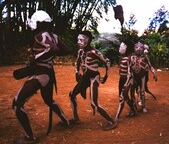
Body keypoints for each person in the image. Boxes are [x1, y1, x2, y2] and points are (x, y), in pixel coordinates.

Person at [12, 10, 71, 143]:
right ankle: (66, 121)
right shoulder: (54, 36)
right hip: (48, 74)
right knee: (49, 100)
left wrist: (37, 57)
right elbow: (66, 50)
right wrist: (49, 54)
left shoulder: (40, 35)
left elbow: (52, 49)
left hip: (40, 74)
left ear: (39, 23)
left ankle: (30, 137)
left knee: (17, 103)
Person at [69, 30, 117, 131]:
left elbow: (107, 61)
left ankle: (112, 121)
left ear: (88, 40)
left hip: (94, 78)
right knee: (72, 94)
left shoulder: (94, 52)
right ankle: (76, 118)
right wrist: (77, 73)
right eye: (78, 39)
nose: (79, 42)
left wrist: (106, 76)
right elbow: (77, 63)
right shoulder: (81, 51)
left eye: (81, 40)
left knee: (94, 103)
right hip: (85, 77)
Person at [131, 42, 157, 113]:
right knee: (132, 91)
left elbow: (150, 66)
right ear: (134, 48)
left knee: (142, 91)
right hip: (134, 76)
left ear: (143, 49)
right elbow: (129, 67)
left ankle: (143, 107)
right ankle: (133, 106)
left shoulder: (145, 57)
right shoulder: (132, 57)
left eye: (141, 47)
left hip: (142, 76)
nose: (138, 49)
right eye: (136, 47)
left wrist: (154, 74)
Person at [115, 40, 137, 121]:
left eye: (122, 47)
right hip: (122, 79)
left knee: (122, 97)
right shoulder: (123, 58)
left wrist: (126, 83)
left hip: (127, 80)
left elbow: (129, 73)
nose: (120, 48)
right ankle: (134, 110)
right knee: (125, 97)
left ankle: (116, 117)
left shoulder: (129, 59)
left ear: (127, 48)